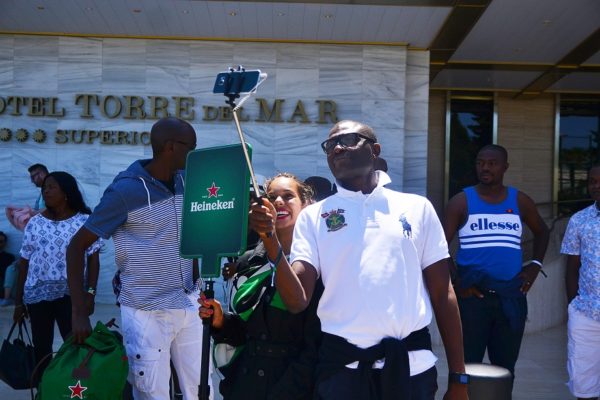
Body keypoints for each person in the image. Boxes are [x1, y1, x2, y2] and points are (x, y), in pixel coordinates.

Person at [250, 120, 468, 400]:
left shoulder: (417, 208)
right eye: (330, 145)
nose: (338, 148)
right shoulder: (314, 217)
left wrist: (459, 377)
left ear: (374, 150)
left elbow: (442, 293)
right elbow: (297, 300)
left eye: (349, 139)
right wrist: (269, 239)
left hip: (411, 369)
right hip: (342, 372)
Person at [67, 117, 203, 400]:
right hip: (145, 310)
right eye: (192, 146)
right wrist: (79, 310)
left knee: (202, 389)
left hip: (189, 304)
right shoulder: (125, 191)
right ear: (170, 147)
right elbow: (77, 246)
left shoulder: (187, 181)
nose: (196, 153)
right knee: (153, 393)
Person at [200, 173, 322, 400]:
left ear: (305, 205)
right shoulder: (249, 261)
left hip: (293, 387)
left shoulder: (320, 262)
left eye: (288, 196)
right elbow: (248, 332)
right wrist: (221, 321)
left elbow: (316, 345)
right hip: (245, 385)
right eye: (272, 197)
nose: (278, 202)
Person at [443, 144, 549, 381]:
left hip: (510, 297)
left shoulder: (520, 201)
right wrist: (458, 281)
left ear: (505, 167)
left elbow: (542, 231)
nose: (485, 168)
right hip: (473, 299)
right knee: (465, 368)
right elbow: (438, 246)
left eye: (492, 163)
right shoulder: (461, 202)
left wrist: (534, 266)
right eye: (481, 162)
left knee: (505, 370)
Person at [12, 171, 102, 376]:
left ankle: (74, 390)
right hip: (37, 296)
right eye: (44, 187)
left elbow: (93, 259)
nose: (46, 191)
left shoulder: (84, 221)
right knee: (41, 350)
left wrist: (90, 293)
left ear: (66, 192)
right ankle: (43, 391)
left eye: (51, 187)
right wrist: (18, 302)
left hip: (71, 296)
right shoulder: (34, 223)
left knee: (76, 347)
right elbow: (24, 263)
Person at [561, 164, 600, 400]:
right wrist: (573, 306)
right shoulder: (579, 220)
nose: (596, 186)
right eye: (592, 181)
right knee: (583, 386)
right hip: (586, 315)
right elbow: (571, 270)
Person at [0, 231, 16, 306]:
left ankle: (6, 298)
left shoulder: (9, 257)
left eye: (0, 241)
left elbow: (7, 274)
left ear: (4, 243)